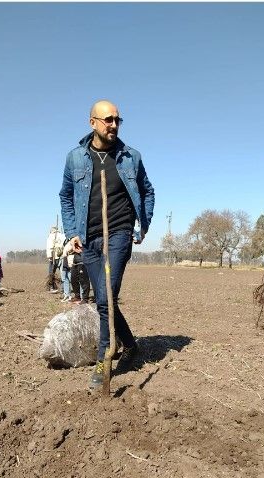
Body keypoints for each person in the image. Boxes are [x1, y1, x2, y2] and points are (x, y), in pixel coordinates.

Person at [59, 99, 155, 389]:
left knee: (104, 295)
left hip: (119, 233)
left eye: (117, 120)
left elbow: (147, 190)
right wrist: (72, 232)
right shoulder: (75, 157)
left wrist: (143, 223)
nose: (114, 124)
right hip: (88, 239)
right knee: (105, 299)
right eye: (108, 120)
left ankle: (104, 361)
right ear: (93, 123)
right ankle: (131, 345)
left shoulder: (130, 157)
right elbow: (65, 195)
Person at [46, 226, 65, 293]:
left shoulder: (50, 236)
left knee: (51, 273)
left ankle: (51, 287)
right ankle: (64, 288)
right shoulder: (62, 236)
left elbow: (49, 247)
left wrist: (49, 257)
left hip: (53, 257)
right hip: (62, 256)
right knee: (63, 273)